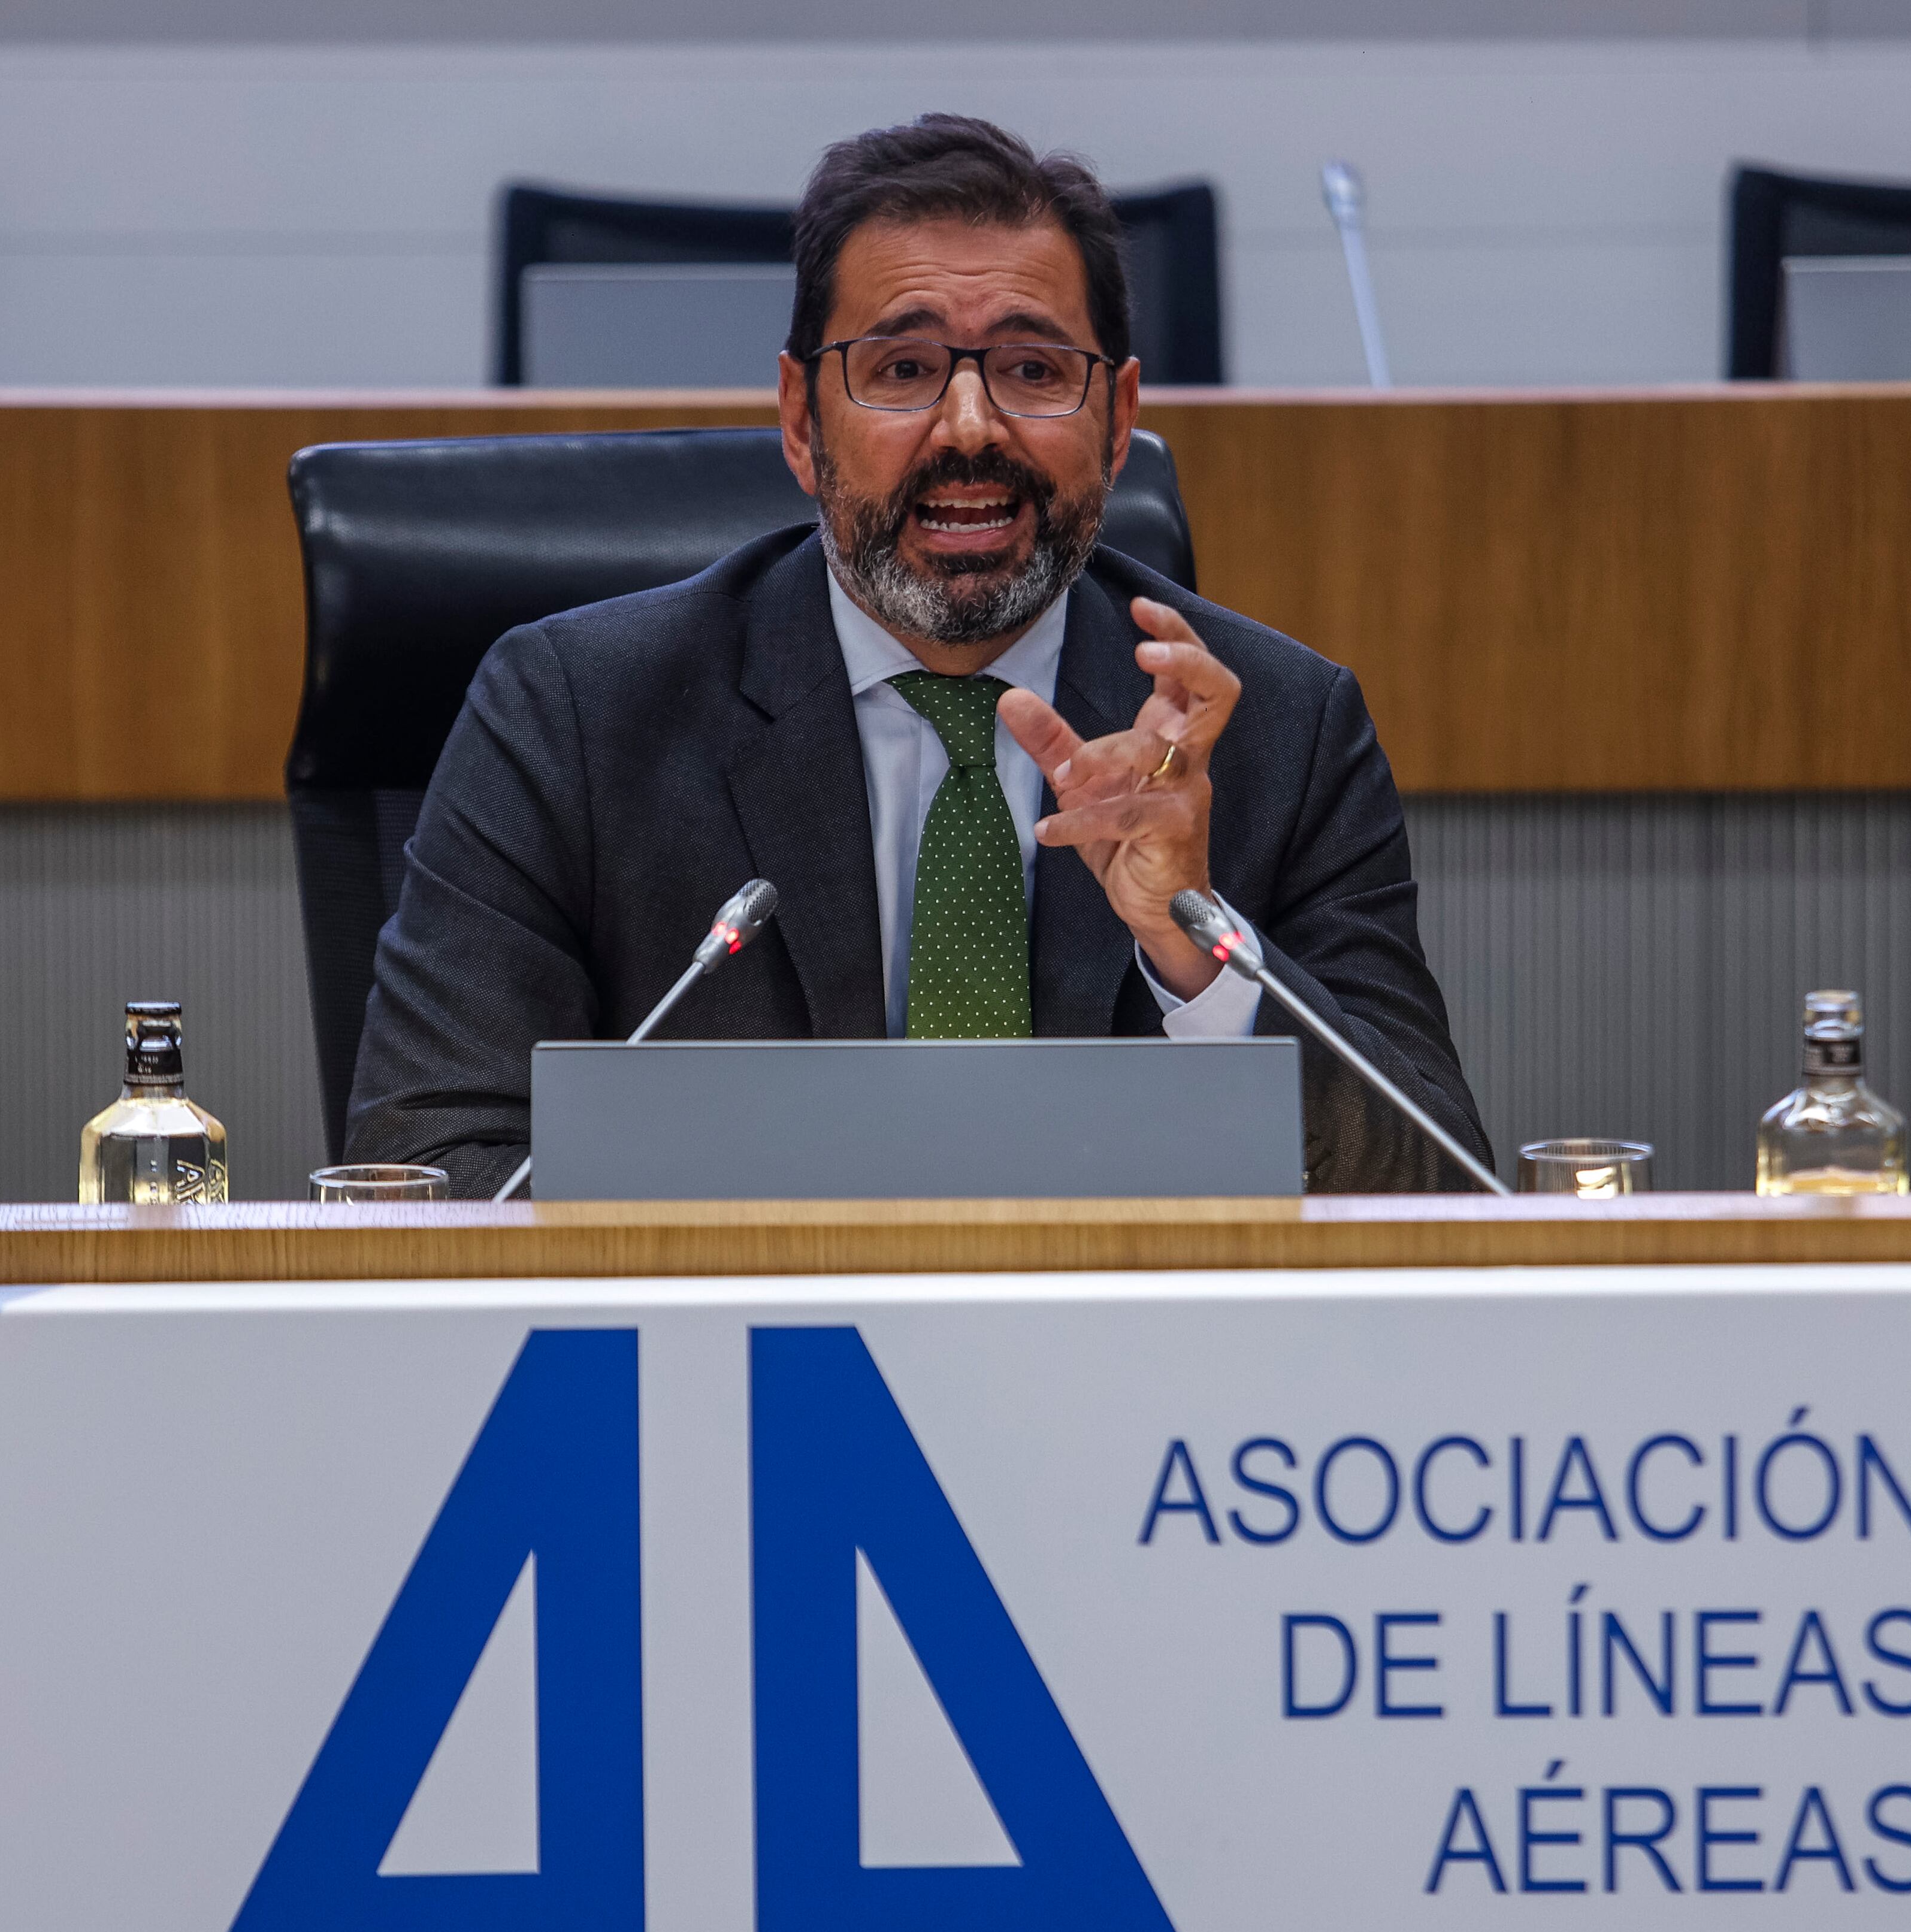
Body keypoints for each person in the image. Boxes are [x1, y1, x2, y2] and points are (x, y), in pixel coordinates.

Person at [347, 113, 1490, 1195]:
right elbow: (432, 1165)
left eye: (1035, 371)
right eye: (902, 371)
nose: (971, 428)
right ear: (801, 420)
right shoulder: (573, 718)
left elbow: (1442, 1188)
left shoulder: (1283, 729)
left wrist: (1196, 954)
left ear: (1118, 415)